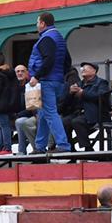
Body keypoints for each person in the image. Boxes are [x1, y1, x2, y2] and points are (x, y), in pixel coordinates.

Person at [27, 12, 73, 153]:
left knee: (51, 113)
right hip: (57, 80)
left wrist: (37, 76)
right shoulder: (59, 37)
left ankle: (63, 145)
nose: (36, 25)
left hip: (46, 81)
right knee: (43, 113)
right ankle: (40, 146)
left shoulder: (46, 38)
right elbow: (67, 60)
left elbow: (48, 59)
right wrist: (61, 75)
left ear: (42, 23)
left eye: (37, 22)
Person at [66, 63, 111, 150]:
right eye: (82, 68)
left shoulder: (101, 83)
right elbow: (67, 101)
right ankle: (71, 149)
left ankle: (88, 148)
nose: (83, 69)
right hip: (79, 113)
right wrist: (70, 93)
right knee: (64, 122)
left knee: (77, 122)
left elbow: (101, 96)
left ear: (94, 71)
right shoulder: (79, 84)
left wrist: (83, 93)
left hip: (95, 113)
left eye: (87, 68)